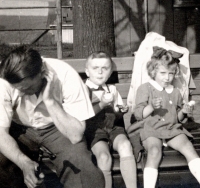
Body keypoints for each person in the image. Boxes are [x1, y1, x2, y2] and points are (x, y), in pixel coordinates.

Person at [0, 46, 105, 188]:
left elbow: (75, 135)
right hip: (18, 129)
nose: (20, 94)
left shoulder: (66, 75)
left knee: (80, 163)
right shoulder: (4, 81)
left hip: (58, 127)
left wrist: (50, 101)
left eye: (27, 88)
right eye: (17, 89)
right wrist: (23, 162)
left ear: (42, 72)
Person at [134, 46, 200, 188]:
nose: (167, 77)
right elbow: (138, 114)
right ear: (153, 72)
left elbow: (177, 118)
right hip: (151, 128)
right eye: (163, 73)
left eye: (171, 73)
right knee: (154, 151)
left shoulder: (175, 91)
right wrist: (151, 106)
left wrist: (184, 110)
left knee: (188, 147)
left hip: (172, 129)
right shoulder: (145, 88)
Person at [84, 51, 137, 188]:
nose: (100, 72)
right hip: (94, 131)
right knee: (104, 157)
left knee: (126, 146)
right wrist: (101, 103)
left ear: (110, 71)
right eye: (95, 68)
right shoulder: (83, 90)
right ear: (87, 72)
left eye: (105, 68)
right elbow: (83, 115)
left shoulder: (112, 89)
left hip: (113, 128)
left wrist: (120, 111)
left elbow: (117, 115)